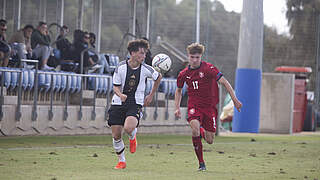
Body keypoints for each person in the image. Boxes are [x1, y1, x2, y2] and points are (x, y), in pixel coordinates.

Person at [174, 43, 242, 171]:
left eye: (197, 57)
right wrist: (176, 107)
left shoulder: (209, 69)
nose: (194, 60)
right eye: (192, 57)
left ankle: (201, 131)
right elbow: (178, 90)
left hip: (209, 107)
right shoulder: (183, 74)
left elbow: (224, 82)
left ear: (201, 57)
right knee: (194, 128)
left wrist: (235, 100)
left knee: (210, 140)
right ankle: (201, 163)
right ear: (188, 56)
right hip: (194, 106)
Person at [108, 39, 162, 169]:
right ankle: (122, 161)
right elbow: (115, 86)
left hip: (135, 103)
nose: (144, 56)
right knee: (116, 135)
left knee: (128, 128)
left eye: (145, 54)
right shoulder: (120, 67)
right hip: (118, 102)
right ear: (132, 53)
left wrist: (151, 95)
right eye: (141, 53)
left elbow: (158, 77)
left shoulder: (145, 68)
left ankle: (132, 136)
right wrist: (120, 95)